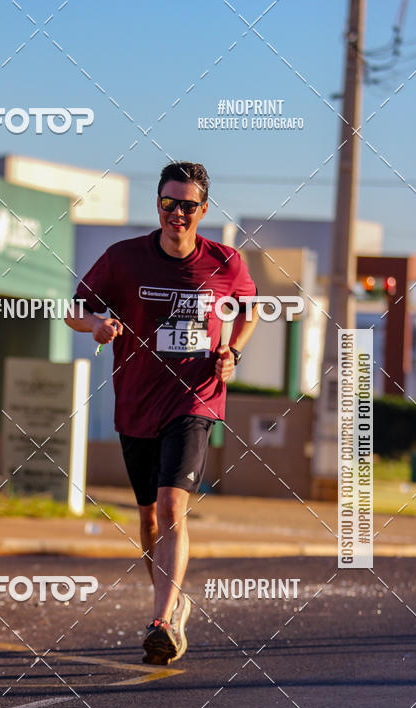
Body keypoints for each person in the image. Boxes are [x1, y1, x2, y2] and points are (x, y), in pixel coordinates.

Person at [65, 161, 259, 665]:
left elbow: (249, 307)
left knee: (174, 506)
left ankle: (161, 621)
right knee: (149, 517)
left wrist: (232, 351)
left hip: (195, 398)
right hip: (137, 403)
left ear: (203, 211)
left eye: (187, 206)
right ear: (158, 204)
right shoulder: (124, 259)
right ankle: (176, 603)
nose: (176, 213)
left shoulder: (226, 262)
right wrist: (96, 327)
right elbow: (73, 308)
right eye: (168, 203)